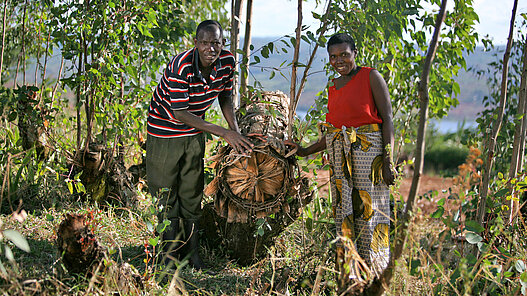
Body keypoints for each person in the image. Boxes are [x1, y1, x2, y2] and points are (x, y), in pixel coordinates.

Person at [286, 32, 395, 288]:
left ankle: (375, 275)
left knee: (370, 212)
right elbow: (336, 131)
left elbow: (387, 118)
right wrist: (304, 151)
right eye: (333, 57)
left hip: (370, 156)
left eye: (344, 54)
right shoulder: (333, 86)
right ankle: (351, 276)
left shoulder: (371, 76)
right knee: (345, 213)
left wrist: (388, 161)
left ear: (354, 53)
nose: (339, 61)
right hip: (340, 160)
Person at [146, 20, 253, 271]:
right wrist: (224, 133)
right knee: (165, 194)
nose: (210, 48)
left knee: (192, 192)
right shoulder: (180, 66)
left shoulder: (227, 62)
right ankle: (168, 256)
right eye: (204, 42)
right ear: (196, 43)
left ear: (223, 43)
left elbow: (225, 95)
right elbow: (180, 112)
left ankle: (192, 254)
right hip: (165, 132)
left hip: (195, 132)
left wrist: (235, 132)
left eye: (215, 43)